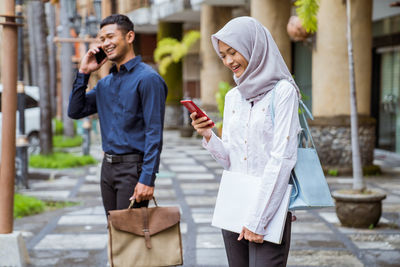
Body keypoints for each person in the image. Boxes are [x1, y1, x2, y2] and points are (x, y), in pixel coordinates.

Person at [190, 16, 301, 267]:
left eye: (233, 52)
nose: (229, 61)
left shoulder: (283, 92)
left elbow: (282, 159)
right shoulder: (233, 97)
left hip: (268, 210)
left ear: (253, 46)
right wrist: (208, 135)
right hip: (234, 203)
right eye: (223, 56)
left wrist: (258, 220)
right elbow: (230, 158)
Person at [68, 14, 167, 214]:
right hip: (108, 168)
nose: (106, 43)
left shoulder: (148, 79)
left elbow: (154, 133)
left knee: (130, 238)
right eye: (102, 39)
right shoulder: (105, 84)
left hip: (133, 169)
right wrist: (84, 72)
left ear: (129, 37)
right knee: (115, 235)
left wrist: (147, 179)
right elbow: (75, 110)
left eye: (111, 37)